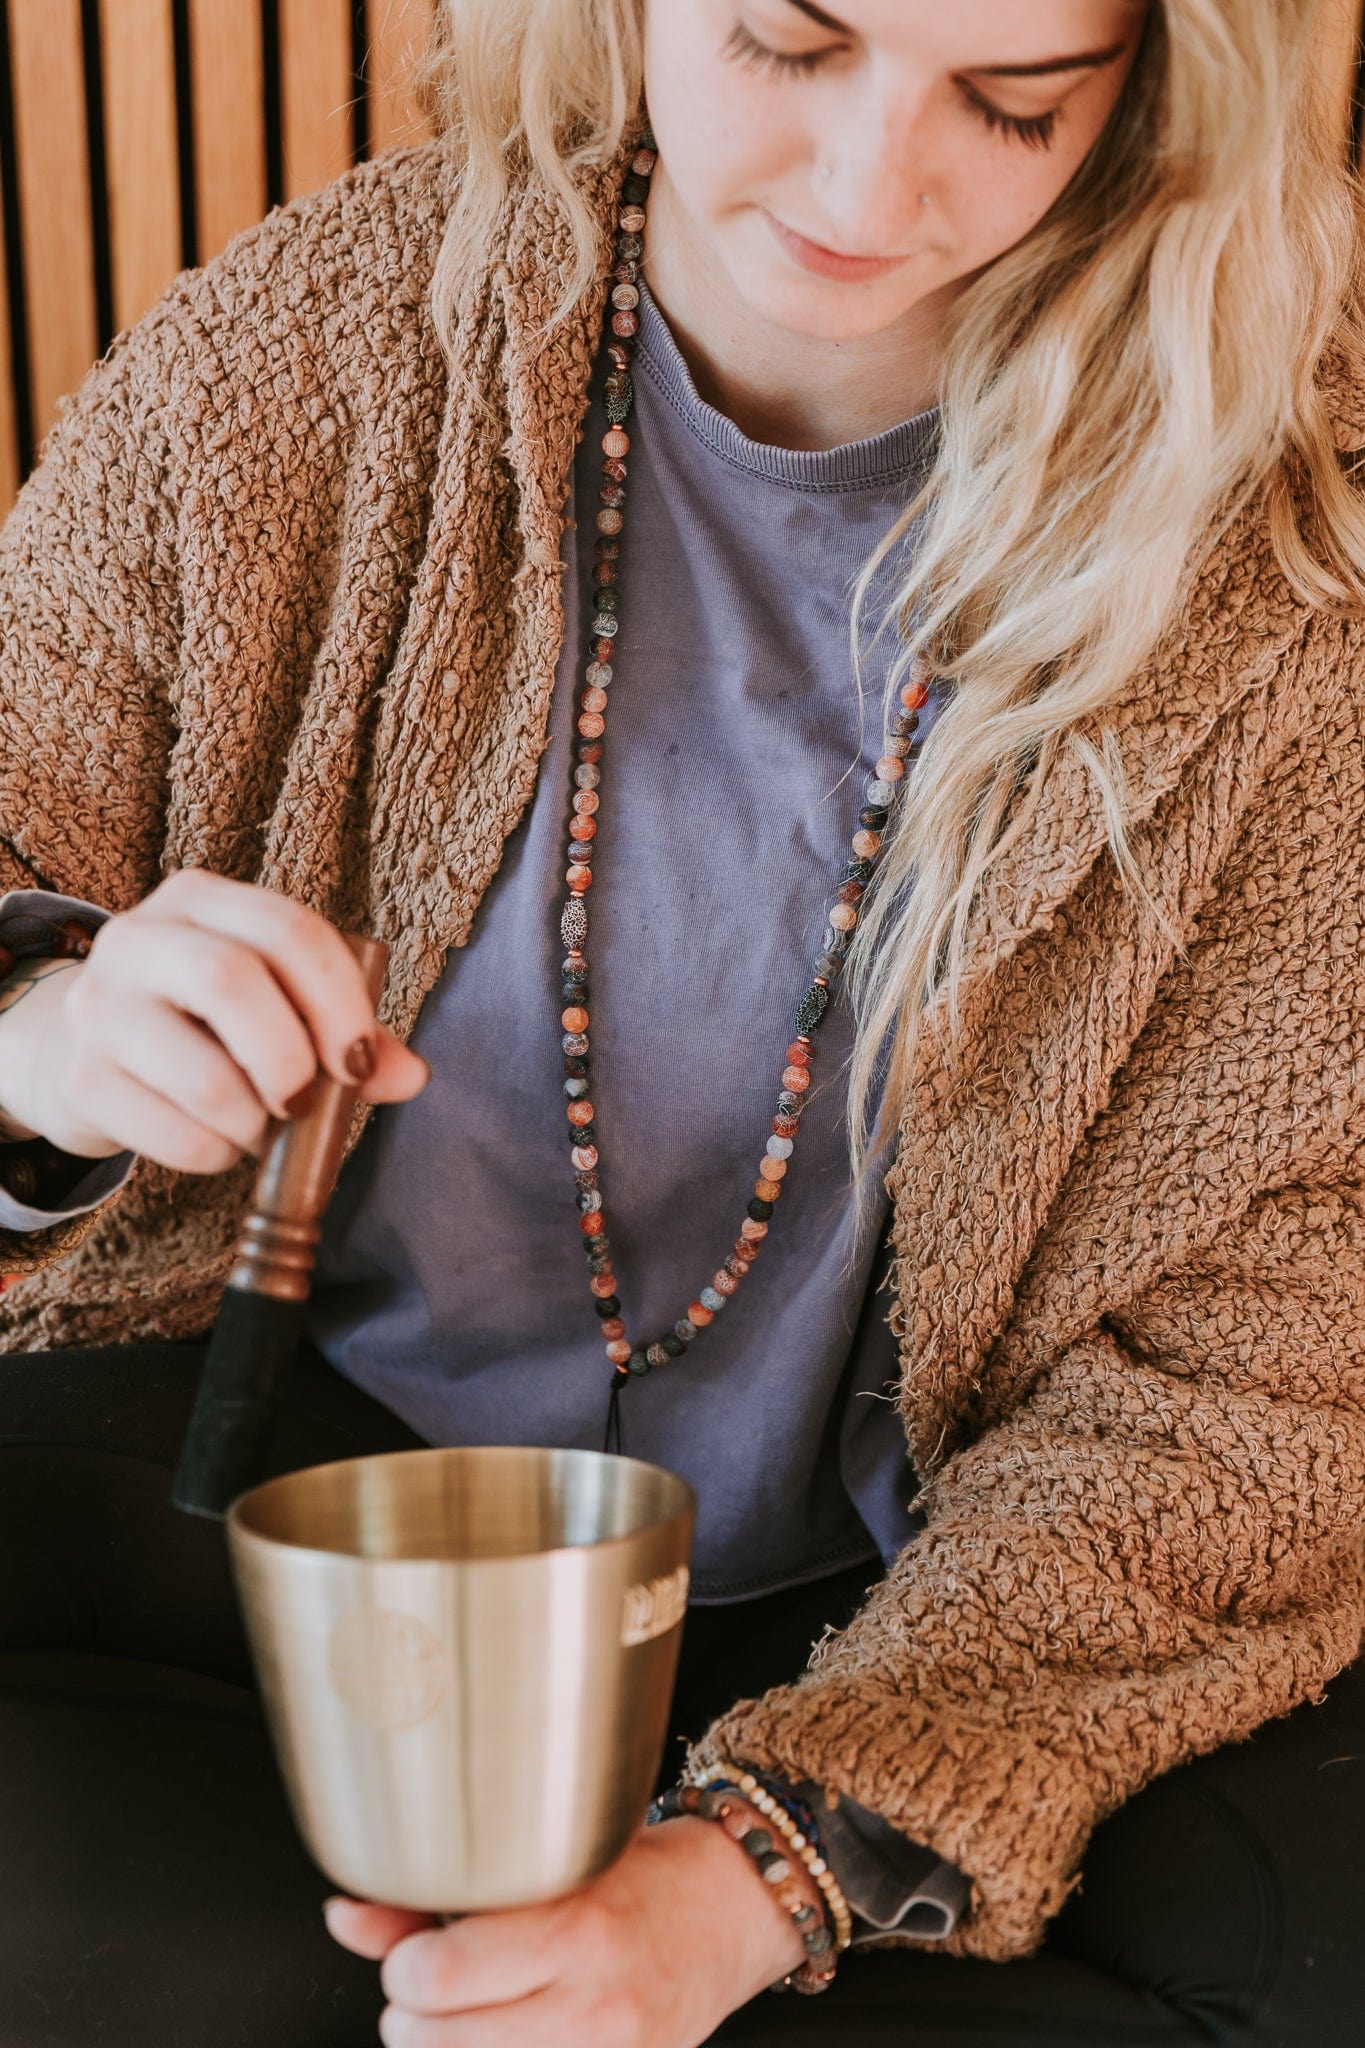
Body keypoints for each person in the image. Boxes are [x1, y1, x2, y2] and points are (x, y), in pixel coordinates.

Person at [0, 0, 1361, 2041]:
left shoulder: (1295, 543)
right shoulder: (325, 339)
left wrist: (767, 1869)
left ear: (1153, 90)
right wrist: (50, 1022)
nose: (858, 186)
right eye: (784, 43)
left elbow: (1267, 1376)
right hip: (294, 1462)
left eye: (1005, 106)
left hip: (937, 1574)